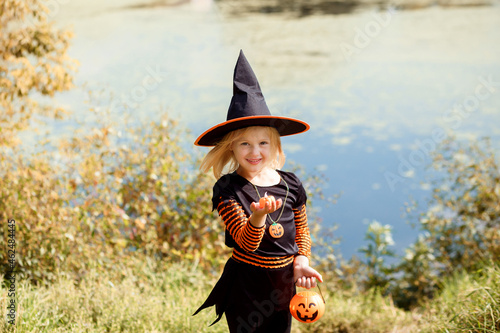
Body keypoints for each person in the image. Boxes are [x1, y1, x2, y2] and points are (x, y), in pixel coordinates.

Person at [193, 50, 323, 333]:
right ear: (231, 148)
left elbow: (301, 231)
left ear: (276, 145)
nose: (255, 152)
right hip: (246, 285)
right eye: (244, 144)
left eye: (263, 143)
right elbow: (245, 242)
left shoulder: (291, 184)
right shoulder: (228, 189)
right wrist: (259, 217)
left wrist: (301, 261)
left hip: (284, 284)